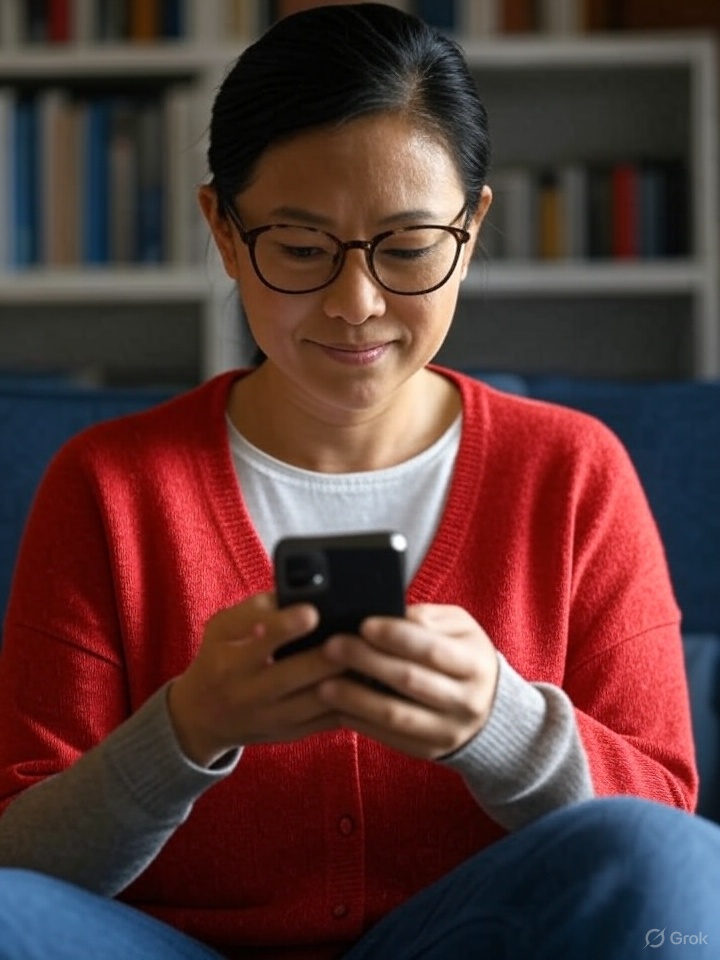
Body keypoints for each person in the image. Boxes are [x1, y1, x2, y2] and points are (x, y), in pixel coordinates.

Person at [0, 3, 719, 959]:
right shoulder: (109, 485)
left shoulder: (572, 471)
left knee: (667, 871)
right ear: (223, 228)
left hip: (474, 941)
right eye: (299, 250)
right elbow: (24, 859)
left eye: (410, 248)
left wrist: (499, 726)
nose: (356, 304)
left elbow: (668, 835)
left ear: (473, 229)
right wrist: (185, 729)